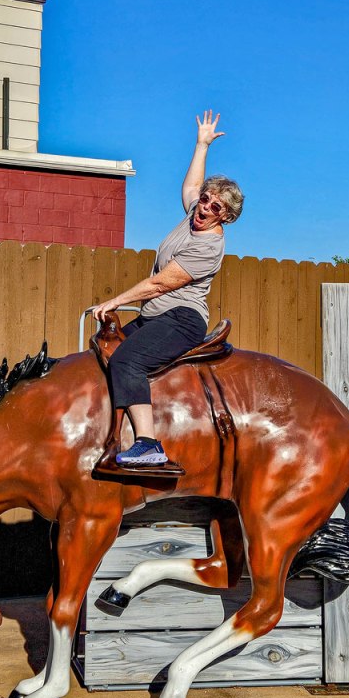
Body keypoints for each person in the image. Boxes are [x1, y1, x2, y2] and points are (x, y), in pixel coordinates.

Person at [91, 110, 244, 467]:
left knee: (128, 359)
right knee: (104, 348)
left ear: (226, 216)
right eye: (206, 199)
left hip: (181, 320)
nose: (204, 206)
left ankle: (148, 445)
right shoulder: (194, 214)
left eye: (214, 206)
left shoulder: (209, 246)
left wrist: (115, 301)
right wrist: (202, 144)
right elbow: (191, 187)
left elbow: (160, 284)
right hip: (156, 316)